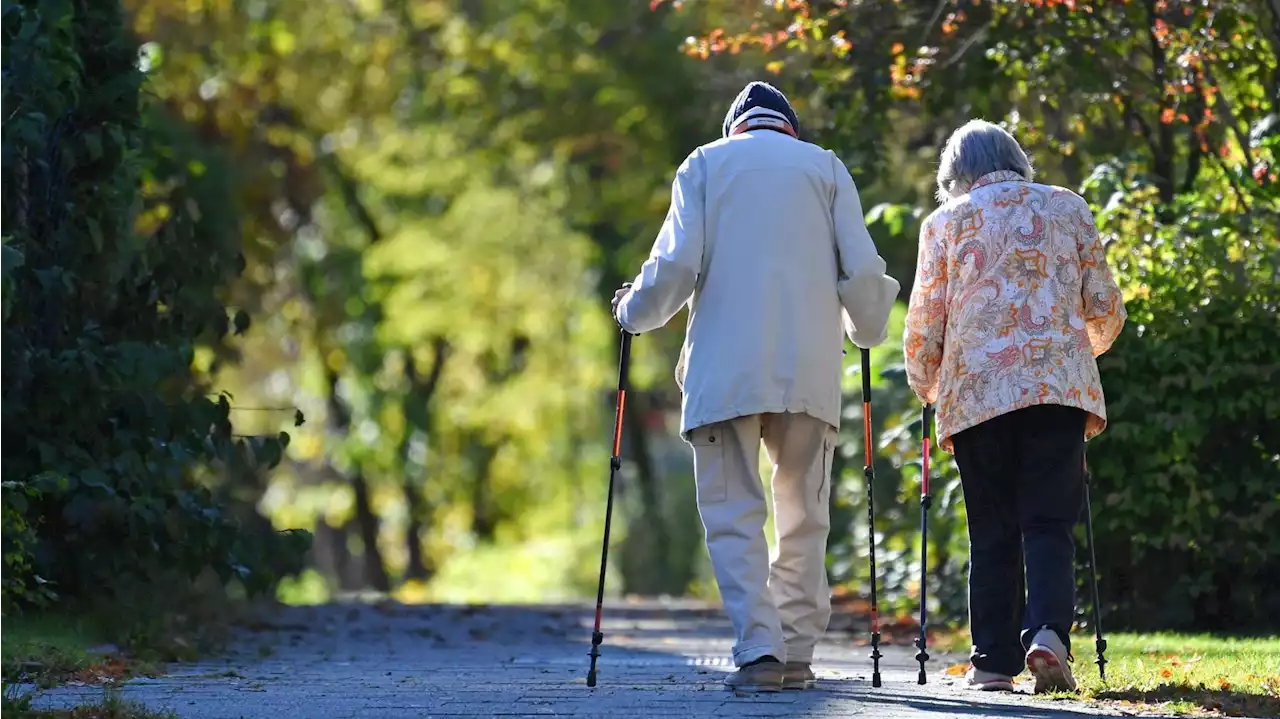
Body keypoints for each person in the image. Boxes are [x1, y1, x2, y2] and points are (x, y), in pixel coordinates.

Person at [609, 81, 900, 693]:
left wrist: (632, 312)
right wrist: (866, 327)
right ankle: (795, 652)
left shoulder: (706, 164)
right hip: (809, 368)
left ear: (733, 129)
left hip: (725, 371)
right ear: (788, 127)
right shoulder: (825, 168)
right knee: (804, 515)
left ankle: (760, 653)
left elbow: (678, 263)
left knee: (734, 514)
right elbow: (863, 268)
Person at [904, 120, 1127, 694]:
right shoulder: (1067, 208)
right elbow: (1104, 305)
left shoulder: (944, 223)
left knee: (992, 528)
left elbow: (926, 323)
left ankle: (992, 665)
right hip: (1057, 390)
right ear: (1019, 163)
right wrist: (1077, 349)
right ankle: (1049, 634)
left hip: (976, 395)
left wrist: (927, 383)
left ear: (954, 177)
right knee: (1051, 522)